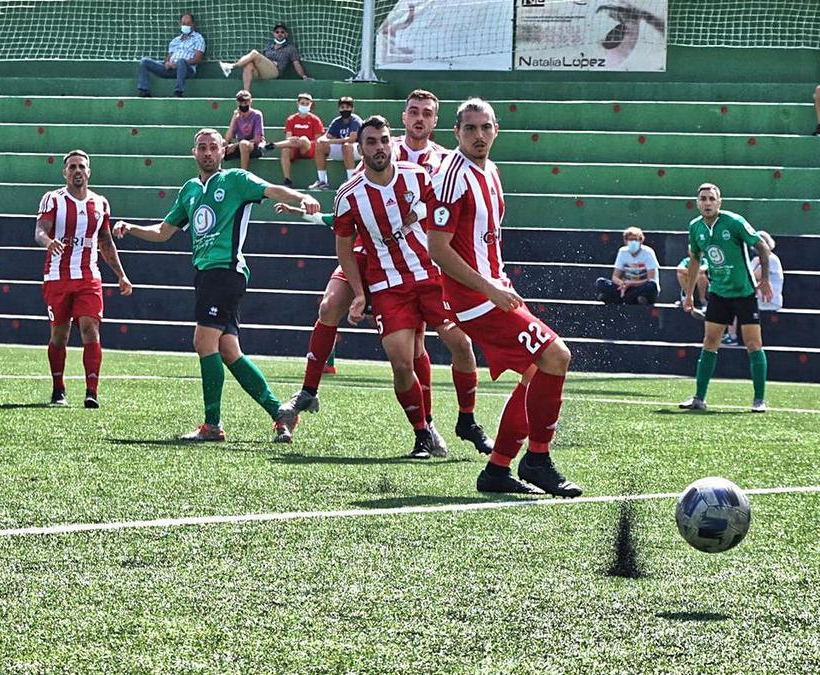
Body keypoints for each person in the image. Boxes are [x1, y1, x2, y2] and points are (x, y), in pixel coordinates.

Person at [276, 91, 492, 457]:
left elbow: (452, 211)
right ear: (403, 119)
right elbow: (351, 215)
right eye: (413, 112)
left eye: (427, 113)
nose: (419, 118)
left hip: (424, 264)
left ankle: (430, 426)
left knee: (422, 346)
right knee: (331, 307)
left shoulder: (441, 163)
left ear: (437, 122)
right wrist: (310, 214)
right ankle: (309, 390)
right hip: (371, 254)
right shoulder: (374, 159)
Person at [113, 128, 320, 443]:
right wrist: (131, 228)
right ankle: (280, 413)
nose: (208, 152)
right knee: (228, 350)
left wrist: (302, 196)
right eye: (202, 148)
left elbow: (272, 190)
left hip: (225, 271)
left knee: (203, 342)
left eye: (214, 147)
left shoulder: (236, 180)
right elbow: (163, 232)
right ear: (193, 153)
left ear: (224, 151)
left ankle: (212, 426)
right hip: (208, 275)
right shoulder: (190, 190)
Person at [428, 98, 583, 497]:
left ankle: (497, 470)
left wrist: (500, 282)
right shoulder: (452, 176)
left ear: (496, 130)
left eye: (485, 128)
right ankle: (537, 460)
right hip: (475, 298)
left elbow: (485, 235)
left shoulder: (492, 171)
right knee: (556, 356)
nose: (479, 135)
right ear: (456, 133)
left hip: (495, 290)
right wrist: (490, 288)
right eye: (470, 129)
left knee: (538, 375)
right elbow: (438, 249)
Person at [36, 150, 133, 408]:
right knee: (60, 335)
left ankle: (92, 392)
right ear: (64, 173)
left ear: (88, 172)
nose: (77, 171)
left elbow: (105, 241)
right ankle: (58, 389)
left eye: (81, 166)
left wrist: (121, 275)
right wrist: (48, 242)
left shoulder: (100, 203)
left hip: (89, 277)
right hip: (57, 276)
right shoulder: (53, 200)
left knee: (91, 329)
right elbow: (40, 230)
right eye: (72, 167)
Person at [678, 183, 773, 413]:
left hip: (744, 291)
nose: (707, 203)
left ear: (719, 202)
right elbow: (694, 261)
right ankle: (699, 398)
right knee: (710, 341)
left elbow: (762, 247)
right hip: (719, 292)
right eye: (703, 199)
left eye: (711, 198)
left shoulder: (734, 222)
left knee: (753, 343)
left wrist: (765, 279)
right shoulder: (695, 227)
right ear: (697, 202)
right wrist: (689, 294)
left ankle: (759, 400)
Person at [218, 23, 312, 92]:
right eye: (277, 32)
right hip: (262, 72)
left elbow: (296, 63)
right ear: (274, 33)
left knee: (254, 53)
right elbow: (262, 59)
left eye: (282, 32)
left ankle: (231, 67)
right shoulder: (268, 45)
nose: (279, 34)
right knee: (249, 65)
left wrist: (304, 76)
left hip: (275, 71)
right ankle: (246, 95)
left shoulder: (290, 48)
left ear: (286, 34)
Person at [136, 13, 205, 97]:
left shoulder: (198, 38)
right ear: (180, 24)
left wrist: (177, 64)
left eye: (188, 23)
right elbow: (168, 58)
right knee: (145, 61)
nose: (185, 26)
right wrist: (167, 63)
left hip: (187, 69)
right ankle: (144, 91)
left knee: (181, 61)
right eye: (183, 23)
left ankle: (178, 92)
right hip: (171, 70)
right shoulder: (175, 40)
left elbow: (197, 59)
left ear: (193, 25)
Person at [269, 93, 324, 188]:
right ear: (298, 104)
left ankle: (274, 145)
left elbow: (318, 141)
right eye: (302, 103)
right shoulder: (291, 119)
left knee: (303, 139)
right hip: (294, 148)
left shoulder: (315, 120)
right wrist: (293, 139)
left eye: (307, 103)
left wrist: (302, 141)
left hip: (308, 149)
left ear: (310, 105)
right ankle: (287, 180)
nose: (305, 105)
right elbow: (288, 137)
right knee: (285, 149)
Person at [594, 226, 660, 305]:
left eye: (636, 239)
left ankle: (620, 299)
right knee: (601, 282)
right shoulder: (622, 252)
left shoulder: (648, 252)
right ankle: (628, 298)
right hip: (626, 288)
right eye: (630, 239)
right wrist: (622, 284)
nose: (633, 242)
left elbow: (651, 279)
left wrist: (631, 283)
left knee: (651, 286)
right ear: (625, 241)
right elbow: (615, 277)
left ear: (641, 240)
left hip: (641, 287)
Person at [309, 97, 361, 189]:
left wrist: (331, 141)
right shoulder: (336, 121)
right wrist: (321, 140)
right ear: (339, 109)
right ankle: (322, 181)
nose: (345, 109)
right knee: (320, 145)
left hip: (358, 150)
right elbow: (328, 136)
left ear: (353, 109)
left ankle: (351, 181)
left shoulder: (356, 120)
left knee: (346, 146)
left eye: (348, 107)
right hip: (342, 149)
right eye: (342, 107)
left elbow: (352, 139)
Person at [222, 90, 265, 170]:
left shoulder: (256, 115)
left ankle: (243, 173)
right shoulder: (237, 117)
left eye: (246, 101)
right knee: (221, 143)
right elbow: (228, 138)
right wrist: (234, 118)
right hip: (241, 146)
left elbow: (258, 139)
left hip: (254, 146)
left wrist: (236, 145)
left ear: (250, 101)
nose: (244, 104)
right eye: (241, 101)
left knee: (243, 144)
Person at [751, 230, 784, 315]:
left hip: (770, 302)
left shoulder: (772, 259)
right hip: (757, 301)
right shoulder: (755, 260)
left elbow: (756, 275)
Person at [676, 254, 709, 320]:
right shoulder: (686, 260)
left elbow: (703, 268)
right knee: (680, 275)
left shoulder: (705, 260)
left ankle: (702, 300)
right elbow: (679, 268)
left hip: (703, 287)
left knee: (701, 276)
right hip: (689, 285)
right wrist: (691, 273)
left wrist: (692, 272)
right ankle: (686, 297)